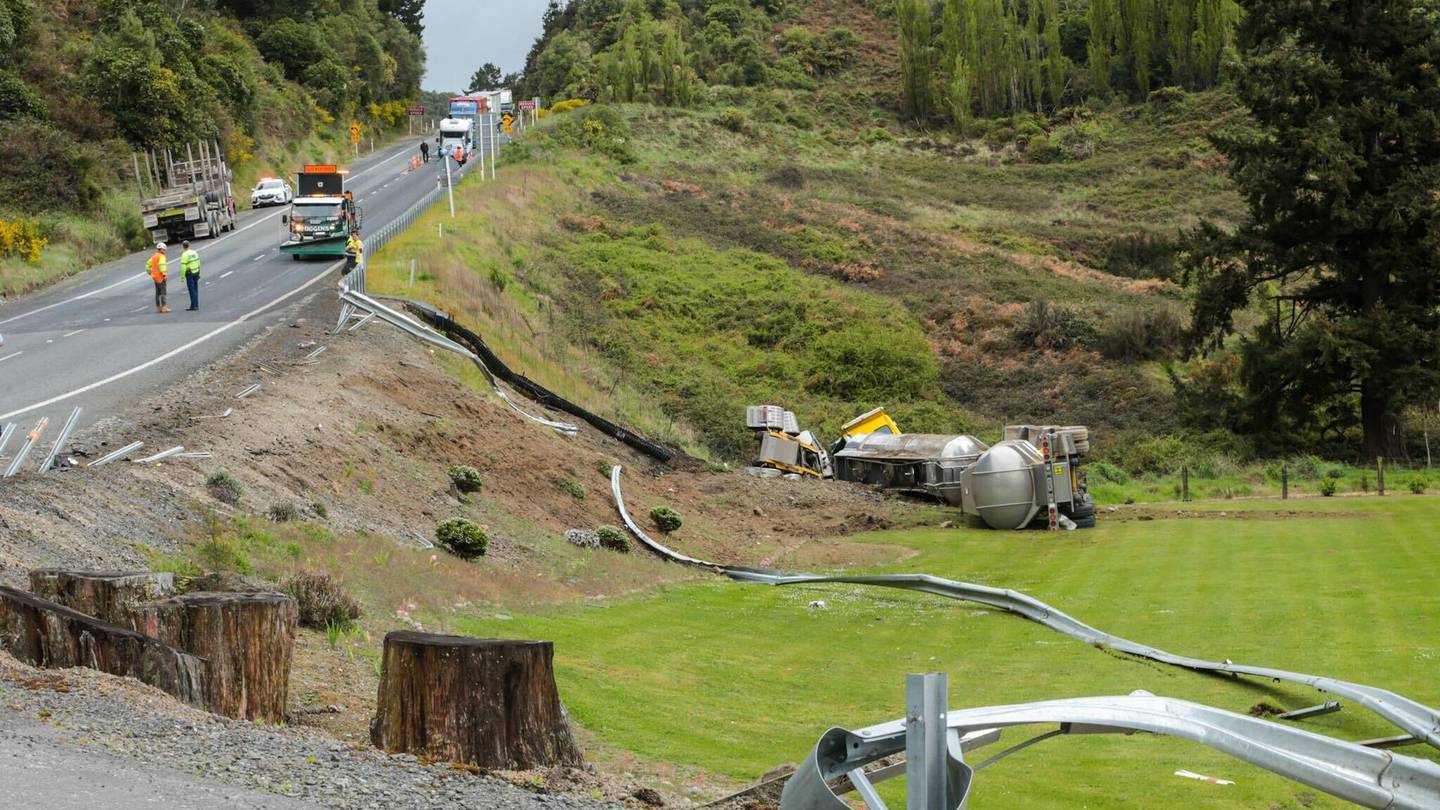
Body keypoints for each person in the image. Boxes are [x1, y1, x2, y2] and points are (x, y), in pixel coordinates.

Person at [147, 242, 170, 313]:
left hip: (155, 277)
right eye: (164, 250)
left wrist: (150, 272)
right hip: (160, 277)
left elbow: (147, 265)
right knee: (163, 292)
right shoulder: (161, 256)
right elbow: (162, 266)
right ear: (161, 250)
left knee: (157, 293)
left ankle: (158, 308)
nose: (164, 252)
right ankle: (164, 307)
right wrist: (164, 275)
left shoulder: (153, 256)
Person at [179, 240, 201, 311]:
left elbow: (183, 267)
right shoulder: (194, 252)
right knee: (195, 289)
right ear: (189, 245)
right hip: (196, 272)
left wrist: (182, 276)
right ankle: (194, 305)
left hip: (189, 274)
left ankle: (194, 306)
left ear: (183, 246)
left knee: (192, 290)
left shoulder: (184, 255)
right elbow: (198, 262)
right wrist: (198, 272)